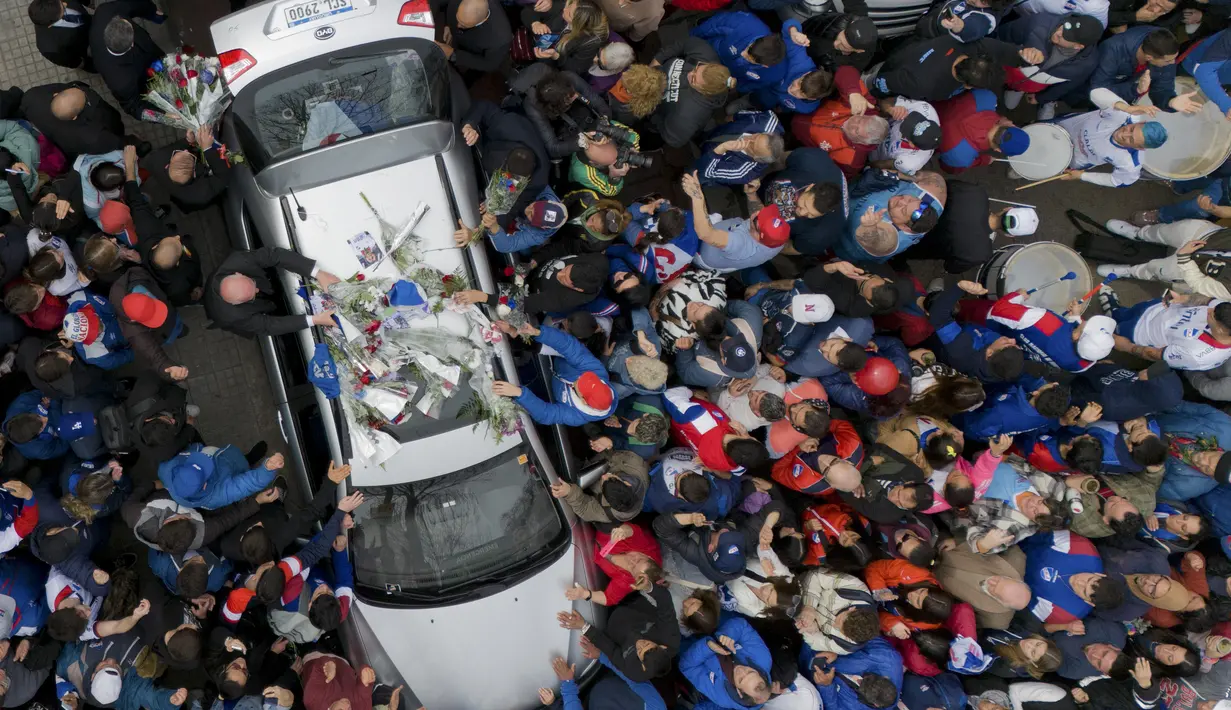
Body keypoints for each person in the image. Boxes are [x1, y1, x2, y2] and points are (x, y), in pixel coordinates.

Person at [204, 247, 341, 338]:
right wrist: (315, 319)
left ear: (239, 273)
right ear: (237, 303)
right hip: (220, 314)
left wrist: (317, 273)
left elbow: (275, 255)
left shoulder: (240, 261)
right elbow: (269, 326)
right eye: (252, 296)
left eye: (253, 283)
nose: (257, 290)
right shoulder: (234, 316)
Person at [866, 35, 1040, 102]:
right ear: (968, 86)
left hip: (907, 47)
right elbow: (882, 82)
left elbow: (1001, 50)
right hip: (888, 70)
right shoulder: (922, 84)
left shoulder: (966, 43)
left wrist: (1023, 57)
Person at [996, 13, 1103, 121]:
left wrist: (1041, 98)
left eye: (1067, 36)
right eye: (1065, 26)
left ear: (1078, 46)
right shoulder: (1038, 22)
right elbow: (1005, 34)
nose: (1059, 33)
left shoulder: (1087, 64)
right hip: (1008, 67)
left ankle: (1015, 90)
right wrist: (1019, 51)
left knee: (1010, 102)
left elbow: (1067, 85)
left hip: (1031, 84)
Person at [682, 171, 790, 273]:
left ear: (758, 237)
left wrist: (697, 197)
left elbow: (705, 233)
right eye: (768, 215)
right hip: (726, 245)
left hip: (704, 252)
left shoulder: (742, 245)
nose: (756, 214)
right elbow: (759, 213)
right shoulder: (778, 238)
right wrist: (751, 194)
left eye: (757, 219)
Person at [1102, 292, 1231, 371]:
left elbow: (1155, 354)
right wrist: (1183, 298)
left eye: (1211, 315)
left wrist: (1127, 347)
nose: (1208, 310)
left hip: (1141, 332)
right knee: (1126, 312)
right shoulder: (1225, 312)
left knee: (1114, 331)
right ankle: (1114, 311)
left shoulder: (1197, 355)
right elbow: (1206, 301)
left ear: (1220, 329)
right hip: (1158, 308)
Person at [839, 170, 948, 263]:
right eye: (910, 200)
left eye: (903, 210)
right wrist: (896, 175)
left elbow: (878, 242)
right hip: (847, 184)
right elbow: (937, 178)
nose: (902, 201)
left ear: (905, 227)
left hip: (837, 233)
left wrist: (869, 227)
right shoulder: (930, 195)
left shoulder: (890, 238)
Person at [1021, 530, 1124, 626]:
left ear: (1089, 602)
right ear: (1100, 574)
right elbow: (1041, 533)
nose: (1078, 582)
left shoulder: (1065, 614)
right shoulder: (1082, 548)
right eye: (1088, 579)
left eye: (1084, 590)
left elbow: (1022, 603)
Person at [1088, 27, 1200, 115]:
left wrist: (1170, 102)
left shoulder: (1165, 49)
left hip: (1121, 104)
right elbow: (1097, 90)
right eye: (1168, 61)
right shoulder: (1113, 50)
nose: (1172, 63)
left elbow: (1162, 89)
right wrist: (1136, 89)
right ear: (1149, 58)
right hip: (1085, 96)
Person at [649, 36, 734, 148]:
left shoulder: (688, 116)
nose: (690, 74)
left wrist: (652, 116)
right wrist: (657, 60)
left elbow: (673, 139)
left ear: (705, 91)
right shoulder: (706, 54)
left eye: (693, 80)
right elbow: (685, 43)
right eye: (696, 69)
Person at [89, 0, 164, 118]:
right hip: (144, 76)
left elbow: (130, 4)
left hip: (149, 52)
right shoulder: (121, 82)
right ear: (131, 44)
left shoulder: (105, 11)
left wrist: (151, 10)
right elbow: (133, 106)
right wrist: (162, 116)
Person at [158, 444, 283, 511]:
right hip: (232, 468)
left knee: (241, 460)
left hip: (227, 458)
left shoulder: (168, 469)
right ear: (205, 485)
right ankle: (249, 461)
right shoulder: (217, 496)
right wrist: (267, 468)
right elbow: (247, 483)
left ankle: (248, 458)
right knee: (244, 471)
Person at [139, 125, 233, 213]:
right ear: (194, 173)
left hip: (176, 194)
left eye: (179, 152)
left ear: (169, 163)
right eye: (190, 155)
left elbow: (173, 147)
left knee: (181, 204)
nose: (185, 150)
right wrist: (207, 149)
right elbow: (223, 176)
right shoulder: (201, 194)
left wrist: (188, 140)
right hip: (190, 201)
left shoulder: (157, 159)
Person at [935, 544, 1032, 629]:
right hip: (945, 547)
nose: (992, 582)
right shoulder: (1015, 558)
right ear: (1014, 579)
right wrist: (957, 540)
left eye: (994, 590)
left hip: (932, 582)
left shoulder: (996, 620)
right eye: (999, 580)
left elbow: (959, 617)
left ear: (1001, 603)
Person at [935, 88, 1031, 174]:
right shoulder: (961, 159)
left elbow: (965, 91)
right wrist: (983, 160)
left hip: (929, 107)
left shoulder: (987, 97)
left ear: (1009, 124)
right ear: (998, 150)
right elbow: (948, 168)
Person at [20, 83, 126, 159]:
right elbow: (117, 141)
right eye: (85, 99)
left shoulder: (31, 97)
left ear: (56, 94)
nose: (84, 91)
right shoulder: (93, 137)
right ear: (74, 117)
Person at [695, 112, 786, 187]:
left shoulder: (743, 172)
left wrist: (722, 149)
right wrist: (732, 117)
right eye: (756, 136)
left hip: (706, 159)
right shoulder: (767, 120)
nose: (748, 139)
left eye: (751, 146)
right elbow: (743, 114)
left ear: (755, 157)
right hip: (717, 133)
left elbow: (706, 172)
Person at [433, 0, 512, 75]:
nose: (458, 26)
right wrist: (448, 25)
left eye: (463, 25)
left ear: (484, 20)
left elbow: (489, 64)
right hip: (456, 38)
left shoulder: (501, 39)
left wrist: (453, 55)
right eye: (458, 18)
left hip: (471, 53)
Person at [28, 0, 92, 71]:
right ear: (50, 25)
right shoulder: (49, 48)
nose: (65, 4)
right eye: (63, 10)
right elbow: (73, 62)